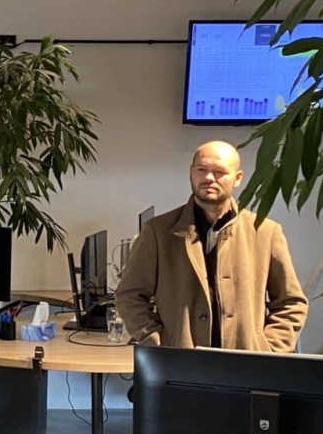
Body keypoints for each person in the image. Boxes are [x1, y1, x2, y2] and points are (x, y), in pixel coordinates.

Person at [116, 140, 308, 352]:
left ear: (237, 178)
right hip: (181, 362)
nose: (208, 178)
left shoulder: (265, 232)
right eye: (201, 169)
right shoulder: (158, 231)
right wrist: (157, 342)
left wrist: (269, 349)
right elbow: (130, 295)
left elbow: (291, 303)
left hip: (246, 361)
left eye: (219, 172)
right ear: (191, 173)